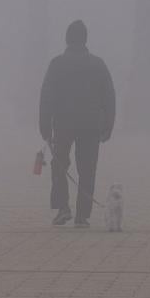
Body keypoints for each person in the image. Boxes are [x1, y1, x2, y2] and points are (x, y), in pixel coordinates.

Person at [38, 20, 116, 227]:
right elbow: (109, 96)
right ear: (85, 39)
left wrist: (45, 126)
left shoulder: (57, 64)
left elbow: (46, 96)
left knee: (59, 165)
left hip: (63, 123)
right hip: (91, 125)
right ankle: (82, 216)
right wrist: (108, 124)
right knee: (88, 169)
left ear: (67, 39)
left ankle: (63, 208)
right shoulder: (98, 64)